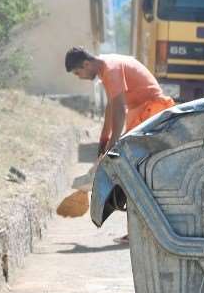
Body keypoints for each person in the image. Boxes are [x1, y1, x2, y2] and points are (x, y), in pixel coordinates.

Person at [65, 47, 175, 242]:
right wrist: (104, 139)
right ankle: (137, 231)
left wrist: (114, 145)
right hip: (141, 114)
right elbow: (111, 106)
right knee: (133, 176)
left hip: (151, 112)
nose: (79, 77)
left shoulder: (111, 68)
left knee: (135, 176)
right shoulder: (106, 68)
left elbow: (118, 110)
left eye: (78, 73)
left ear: (86, 64)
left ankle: (141, 232)